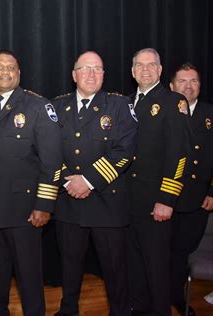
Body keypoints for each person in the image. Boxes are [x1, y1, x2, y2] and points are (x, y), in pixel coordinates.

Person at [0, 49, 62, 316]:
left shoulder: (37, 107)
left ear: (19, 73)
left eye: (11, 67)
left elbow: (52, 161)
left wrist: (44, 204)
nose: (5, 72)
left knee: (29, 278)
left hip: (25, 212)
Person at [51, 51, 137, 316]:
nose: (90, 74)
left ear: (104, 75)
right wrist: (69, 182)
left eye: (97, 69)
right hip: (68, 201)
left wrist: (88, 181)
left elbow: (125, 152)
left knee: (115, 270)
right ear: (74, 74)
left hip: (107, 204)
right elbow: (48, 150)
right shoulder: (55, 107)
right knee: (69, 266)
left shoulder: (120, 106)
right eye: (85, 69)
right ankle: (68, 311)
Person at [126, 48, 190, 316]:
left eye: (151, 65)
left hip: (156, 203)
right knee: (135, 266)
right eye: (139, 65)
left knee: (157, 268)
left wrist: (167, 199)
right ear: (132, 71)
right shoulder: (127, 103)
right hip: (128, 202)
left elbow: (179, 155)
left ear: (160, 70)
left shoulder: (173, 102)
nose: (145, 69)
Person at [169, 62, 213, 316]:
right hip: (162, 198)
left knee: (181, 253)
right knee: (157, 252)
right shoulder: (159, 111)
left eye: (193, 81)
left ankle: (175, 297)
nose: (188, 86)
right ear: (171, 86)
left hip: (196, 200)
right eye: (182, 81)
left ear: (200, 85)